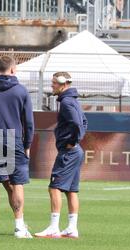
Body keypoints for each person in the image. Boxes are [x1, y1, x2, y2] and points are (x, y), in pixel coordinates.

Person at [35, 72, 87, 239]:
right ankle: (72, 228)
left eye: (54, 83)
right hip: (74, 150)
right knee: (71, 190)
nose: (52, 86)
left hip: (69, 151)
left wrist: (73, 140)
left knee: (54, 187)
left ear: (63, 84)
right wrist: (77, 140)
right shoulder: (73, 101)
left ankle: (54, 227)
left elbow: (78, 123)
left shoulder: (66, 102)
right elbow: (84, 122)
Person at [0, 56, 34, 239]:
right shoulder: (21, 91)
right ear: (13, 70)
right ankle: (19, 226)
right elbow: (28, 122)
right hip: (14, 140)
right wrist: (27, 144)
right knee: (17, 184)